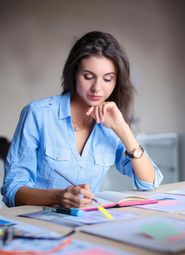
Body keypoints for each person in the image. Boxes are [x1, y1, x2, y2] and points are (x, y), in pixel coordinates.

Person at [1, 31, 163, 208]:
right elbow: (12, 191)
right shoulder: (38, 114)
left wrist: (122, 128)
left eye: (108, 79)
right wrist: (58, 197)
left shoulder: (111, 122)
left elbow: (149, 182)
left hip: (86, 223)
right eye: (88, 76)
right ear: (73, 73)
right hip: (37, 224)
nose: (97, 88)